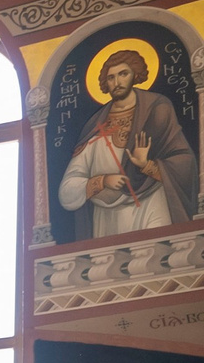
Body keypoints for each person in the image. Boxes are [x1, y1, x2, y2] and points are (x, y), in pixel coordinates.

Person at [57, 46, 196, 241]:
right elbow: (67, 191)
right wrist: (102, 181)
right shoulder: (96, 126)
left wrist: (147, 166)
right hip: (108, 220)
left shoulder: (157, 109)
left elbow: (185, 164)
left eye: (123, 74)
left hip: (151, 206)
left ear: (135, 74)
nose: (117, 82)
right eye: (111, 77)